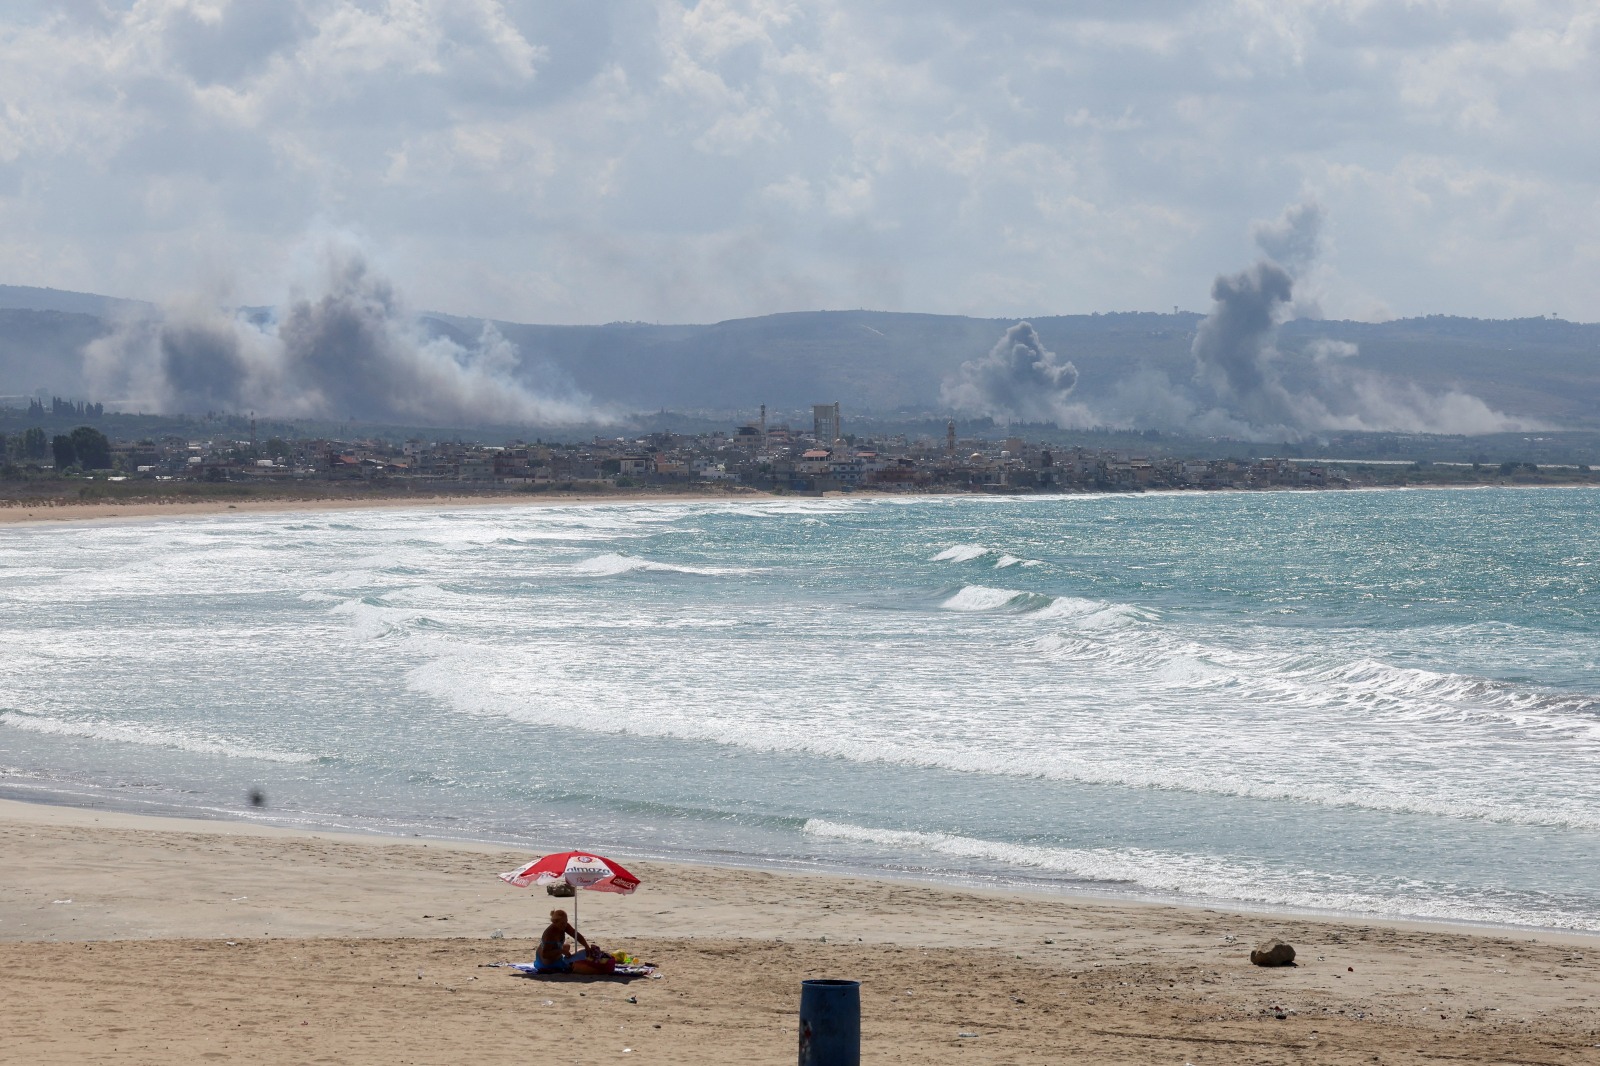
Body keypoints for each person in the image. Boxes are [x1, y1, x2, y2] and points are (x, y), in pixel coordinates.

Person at [534, 908, 588, 974]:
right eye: (562, 923)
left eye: (566, 922)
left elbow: (576, 935)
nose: (565, 925)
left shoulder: (564, 926)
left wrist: (587, 946)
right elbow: (545, 954)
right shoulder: (550, 933)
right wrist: (561, 951)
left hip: (555, 950)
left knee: (567, 946)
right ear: (555, 922)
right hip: (545, 960)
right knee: (568, 962)